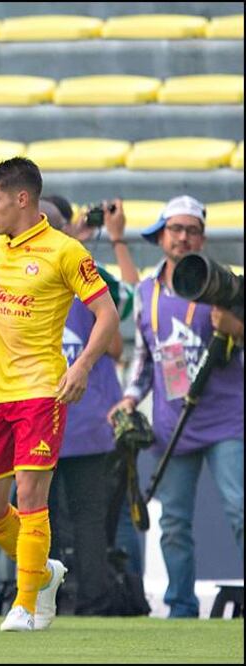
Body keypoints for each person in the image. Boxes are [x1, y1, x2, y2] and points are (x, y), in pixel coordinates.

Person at [0, 157, 118, 632]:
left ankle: (26, 603)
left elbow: (105, 314)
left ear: (21, 198)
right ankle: (43, 573)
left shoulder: (65, 252)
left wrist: (83, 365)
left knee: (30, 494)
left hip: (41, 391)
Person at [108, 195, 244, 619]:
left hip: (228, 419)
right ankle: (181, 609)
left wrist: (237, 329)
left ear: (202, 238)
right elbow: (144, 360)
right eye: (176, 229)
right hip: (173, 425)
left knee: (240, 510)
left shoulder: (227, 283)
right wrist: (130, 397)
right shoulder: (146, 291)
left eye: (192, 230)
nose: (183, 237)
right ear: (162, 236)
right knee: (173, 525)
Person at [40, 194, 130, 615]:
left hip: (45, 421)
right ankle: (93, 601)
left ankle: (45, 600)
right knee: (91, 521)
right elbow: (115, 345)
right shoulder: (88, 278)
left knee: (43, 519)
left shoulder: (24, 279)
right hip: (90, 421)